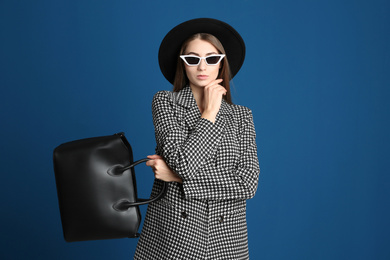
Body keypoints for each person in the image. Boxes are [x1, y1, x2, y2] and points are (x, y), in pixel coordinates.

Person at [134, 18, 260, 260]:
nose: (202, 67)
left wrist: (175, 178)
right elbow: (185, 163)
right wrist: (210, 113)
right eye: (192, 59)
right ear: (183, 64)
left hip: (227, 240)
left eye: (211, 58)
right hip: (176, 236)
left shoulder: (242, 116)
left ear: (221, 63)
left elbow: (247, 183)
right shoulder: (165, 103)